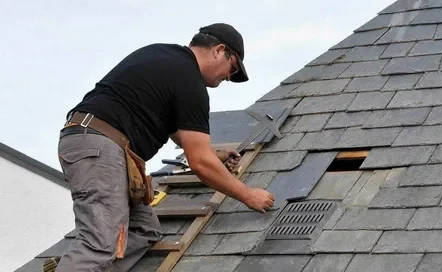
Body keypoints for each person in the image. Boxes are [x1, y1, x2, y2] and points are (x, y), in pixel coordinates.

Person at [44, 23, 276, 272]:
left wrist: (214, 155)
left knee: (144, 230)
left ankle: (74, 266)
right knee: (100, 244)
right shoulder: (190, 83)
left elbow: (179, 131)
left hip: (93, 143)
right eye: (233, 69)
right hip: (101, 147)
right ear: (219, 50)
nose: (228, 78)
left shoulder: (162, 55)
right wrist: (248, 195)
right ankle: (80, 264)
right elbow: (199, 163)